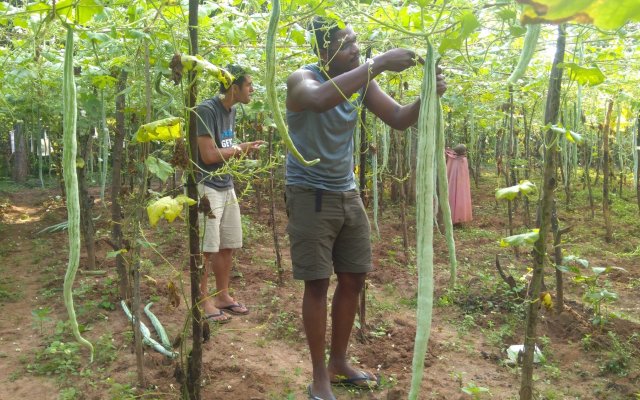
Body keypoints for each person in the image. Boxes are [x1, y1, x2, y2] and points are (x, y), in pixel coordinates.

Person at [285, 17, 446, 400]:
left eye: (356, 41)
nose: (356, 49)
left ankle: (339, 362)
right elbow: (320, 100)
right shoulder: (301, 80)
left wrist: (427, 95)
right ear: (324, 53)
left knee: (354, 277)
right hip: (310, 194)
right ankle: (319, 375)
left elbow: (398, 119)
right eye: (346, 44)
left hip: (347, 192)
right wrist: (378, 63)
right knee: (317, 283)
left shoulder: (361, 83)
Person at [196, 64, 265, 323]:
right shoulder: (206, 110)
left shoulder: (231, 110)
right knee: (206, 247)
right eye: (249, 85)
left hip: (225, 184)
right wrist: (242, 148)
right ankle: (202, 300)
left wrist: (239, 149)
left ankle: (222, 296)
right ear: (234, 88)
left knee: (227, 244)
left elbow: (226, 148)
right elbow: (208, 155)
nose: (252, 89)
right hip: (206, 185)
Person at [445, 144, 473, 224]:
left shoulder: (453, 159)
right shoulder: (462, 160)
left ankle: (455, 218)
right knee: (458, 198)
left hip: (454, 185)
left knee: (454, 197)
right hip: (459, 185)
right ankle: (457, 218)